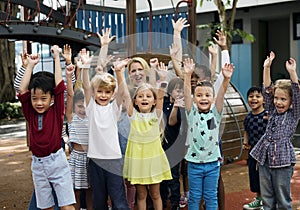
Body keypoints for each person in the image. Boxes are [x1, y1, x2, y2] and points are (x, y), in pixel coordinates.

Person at [17, 45, 76, 210]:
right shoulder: (30, 112)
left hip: (56, 161)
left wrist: (57, 58)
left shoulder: (56, 111)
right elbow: (22, 90)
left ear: (51, 98)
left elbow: (59, 86)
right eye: (35, 98)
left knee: (66, 205)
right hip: (38, 164)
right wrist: (29, 66)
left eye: (44, 98)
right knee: (46, 207)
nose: (39, 103)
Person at [250, 52, 300, 210]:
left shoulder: (293, 114)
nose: (278, 102)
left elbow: (297, 93)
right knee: (267, 198)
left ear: (291, 101)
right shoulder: (271, 110)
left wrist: (292, 72)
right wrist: (266, 67)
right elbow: (266, 90)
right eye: (277, 98)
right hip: (264, 159)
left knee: (283, 198)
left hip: (282, 162)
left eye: (283, 99)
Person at [81, 48, 130, 210]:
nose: (103, 95)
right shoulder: (91, 108)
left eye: (107, 92)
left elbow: (122, 93)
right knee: (99, 201)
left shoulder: (113, 109)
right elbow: (86, 87)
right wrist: (86, 67)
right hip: (95, 160)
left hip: (114, 160)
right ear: (95, 93)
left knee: (119, 200)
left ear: (111, 94)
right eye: (100, 91)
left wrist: (119, 73)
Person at [183, 57, 234, 210]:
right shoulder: (191, 113)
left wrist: (226, 79)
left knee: (211, 197)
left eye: (207, 95)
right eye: (199, 95)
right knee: (194, 197)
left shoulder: (215, 113)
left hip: (213, 164)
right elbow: (186, 94)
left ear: (212, 99)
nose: (203, 98)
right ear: (194, 98)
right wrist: (187, 75)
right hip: (194, 164)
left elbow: (221, 95)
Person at [122, 60, 172, 210]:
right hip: (138, 162)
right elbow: (125, 95)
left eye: (148, 96)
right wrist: (119, 73)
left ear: (154, 101)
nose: (144, 98)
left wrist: (163, 80)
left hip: (153, 160)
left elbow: (161, 97)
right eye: (141, 96)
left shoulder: (156, 116)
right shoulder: (133, 116)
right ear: (135, 101)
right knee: (141, 195)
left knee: (155, 194)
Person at [65, 47, 92, 210]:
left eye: (84, 106)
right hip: (76, 158)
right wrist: (69, 77)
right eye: (79, 106)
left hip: (89, 157)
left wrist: (83, 67)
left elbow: (87, 90)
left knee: (90, 190)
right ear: (74, 107)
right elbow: (70, 94)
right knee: (74, 190)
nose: (82, 108)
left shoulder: (90, 116)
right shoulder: (72, 117)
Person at [160, 77, 185, 210]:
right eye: (177, 90)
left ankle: (175, 203)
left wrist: (176, 107)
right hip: (161, 145)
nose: (180, 93)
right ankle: (162, 200)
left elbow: (171, 122)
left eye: (182, 90)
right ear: (170, 91)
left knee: (174, 176)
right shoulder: (162, 102)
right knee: (161, 176)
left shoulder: (181, 106)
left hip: (175, 146)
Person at [242, 86, 268, 210]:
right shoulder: (248, 117)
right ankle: (259, 199)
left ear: (264, 100)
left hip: (266, 154)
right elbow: (246, 131)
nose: (254, 99)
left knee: (266, 178)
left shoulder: (267, 116)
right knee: (255, 177)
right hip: (253, 153)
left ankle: (268, 201)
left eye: (258, 96)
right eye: (251, 96)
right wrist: (245, 141)